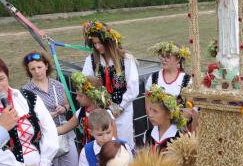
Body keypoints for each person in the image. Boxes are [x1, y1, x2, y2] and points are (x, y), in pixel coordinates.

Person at [21, 51, 78, 166]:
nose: (37, 71)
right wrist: (44, 118)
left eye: (39, 67)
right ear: (28, 71)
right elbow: (25, 117)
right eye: (32, 69)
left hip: (63, 131)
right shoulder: (25, 91)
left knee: (72, 165)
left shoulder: (57, 85)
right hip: (44, 136)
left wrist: (63, 108)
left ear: (46, 66)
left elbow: (67, 105)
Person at [81, 20, 139, 149]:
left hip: (122, 113)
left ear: (109, 41)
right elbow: (86, 84)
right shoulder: (91, 60)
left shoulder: (126, 59)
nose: (97, 47)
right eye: (94, 43)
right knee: (104, 148)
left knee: (123, 145)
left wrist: (119, 108)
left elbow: (133, 88)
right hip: (100, 114)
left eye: (100, 43)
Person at [57, 72, 113, 150]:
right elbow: (63, 129)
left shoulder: (106, 114)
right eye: (76, 94)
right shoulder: (82, 112)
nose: (76, 98)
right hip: (88, 150)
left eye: (80, 95)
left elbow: (114, 138)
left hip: (104, 151)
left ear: (91, 96)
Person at [144, 85, 186, 152]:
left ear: (169, 114)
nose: (150, 115)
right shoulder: (148, 134)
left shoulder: (179, 137)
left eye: (155, 111)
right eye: (150, 109)